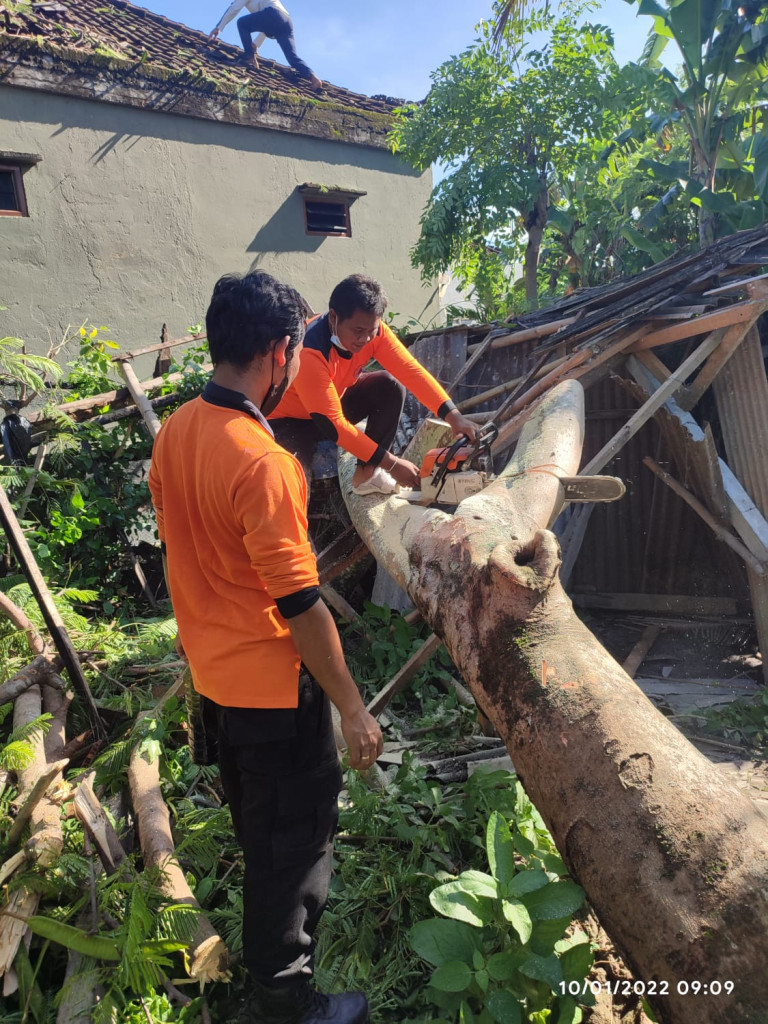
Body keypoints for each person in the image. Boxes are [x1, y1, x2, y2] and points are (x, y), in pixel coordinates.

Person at [148, 270, 381, 1024]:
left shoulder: (177, 431)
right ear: (280, 351)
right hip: (276, 693)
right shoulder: (263, 460)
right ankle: (284, 1000)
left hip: (214, 681)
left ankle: (268, 947)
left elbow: (185, 550)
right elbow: (302, 604)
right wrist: (352, 708)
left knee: (260, 826)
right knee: (295, 845)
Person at [269, 274, 479, 495]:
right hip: (290, 421)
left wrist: (453, 415)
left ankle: (366, 475)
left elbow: (411, 372)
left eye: (371, 331)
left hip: (332, 406)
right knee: (291, 483)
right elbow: (333, 425)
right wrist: (393, 464)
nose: (365, 339)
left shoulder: (374, 332)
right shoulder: (310, 350)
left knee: (389, 385)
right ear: (333, 317)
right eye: (358, 331)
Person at [209, 0, 323, 91]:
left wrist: (219, 27)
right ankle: (313, 78)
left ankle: (249, 58)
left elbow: (234, 8)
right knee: (292, 57)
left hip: (272, 14)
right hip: (286, 21)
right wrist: (255, 45)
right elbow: (267, 24)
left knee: (242, 23)